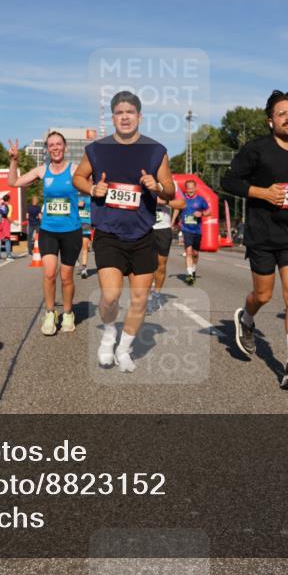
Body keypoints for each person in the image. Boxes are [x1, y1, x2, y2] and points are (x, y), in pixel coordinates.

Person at [222, 90, 288, 389]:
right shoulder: (256, 150)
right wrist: (261, 192)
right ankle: (247, 319)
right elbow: (229, 181)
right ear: (270, 121)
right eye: (282, 113)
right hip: (262, 234)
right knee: (263, 295)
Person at [73, 91, 176, 373]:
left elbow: (171, 189)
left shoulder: (156, 151)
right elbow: (78, 177)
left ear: (139, 116)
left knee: (140, 299)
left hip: (144, 234)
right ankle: (108, 333)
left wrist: (156, 186)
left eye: (130, 112)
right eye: (119, 112)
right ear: (113, 117)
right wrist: (93, 188)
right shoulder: (97, 149)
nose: (125, 116)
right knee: (110, 296)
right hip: (108, 232)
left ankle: (125, 347)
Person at [8, 132, 82, 335]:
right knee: (49, 274)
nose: (55, 148)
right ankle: (50, 313)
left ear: (65, 147)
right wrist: (14, 161)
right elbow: (13, 182)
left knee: (66, 277)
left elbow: (95, 186)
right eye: (51, 145)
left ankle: (67, 313)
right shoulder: (42, 171)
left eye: (59, 144)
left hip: (72, 231)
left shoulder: (75, 170)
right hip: (48, 230)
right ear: (47, 149)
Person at [148, 193, 186, 313]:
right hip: (144, 228)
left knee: (161, 264)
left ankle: (156, 296)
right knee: (145, 265)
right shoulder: (141, 178)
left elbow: (182, 203)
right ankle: (145, 296)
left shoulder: (170, 184)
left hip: (163, 229)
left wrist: (166, 202)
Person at [179, 179, 210, 285]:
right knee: (188, 252)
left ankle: (193, 269)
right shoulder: (182, 199)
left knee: (195, 254)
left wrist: (201, 214)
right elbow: (176, 208)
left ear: (195, 188)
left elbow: (209, 211)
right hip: (186, 229)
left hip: (197, 230)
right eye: (188, 188)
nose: (190, 190)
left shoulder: (201, 200)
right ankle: (190, 276)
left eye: (192, 188)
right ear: (186, 189)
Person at [0, 194, 14, 260]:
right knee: (7, 239)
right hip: (5, 223)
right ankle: (8, 256)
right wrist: (13, 222)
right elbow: (8, 216)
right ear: (9, 199)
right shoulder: (9, 206)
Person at [77, 193, 92, 278]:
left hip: (86, 223)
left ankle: (84, 269)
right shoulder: (74, 195)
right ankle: (75, 258)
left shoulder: (91, 196)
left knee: (84, 247)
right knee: (73, 246)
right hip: (75, 224)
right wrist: (76, 204)